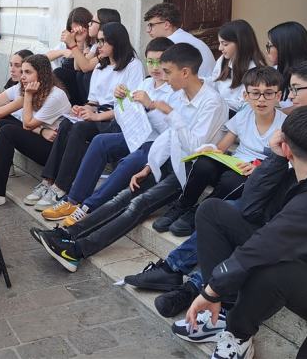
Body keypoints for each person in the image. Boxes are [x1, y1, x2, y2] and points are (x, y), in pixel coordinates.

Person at [136, 56, 307, 319]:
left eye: (295, 90)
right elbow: (279, 165)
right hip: (277, 196)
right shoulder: (294, 118)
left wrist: (270, 164)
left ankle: (196, 289)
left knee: (248, 225)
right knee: (217, 209)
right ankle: (174, 267)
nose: (290, 97)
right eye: (289, 90)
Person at [180, 106, 307, 359]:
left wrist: (211, 289)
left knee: (269, 268)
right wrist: (274, 158)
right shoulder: (299, 176)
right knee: (213, 211)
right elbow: (250, 209)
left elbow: (266, 244)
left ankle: (238, 333)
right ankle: (223, 311)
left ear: (287, 147)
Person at [31, 43, 228, 273]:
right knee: (121, 197)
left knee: (136, 205)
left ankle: (77, 250)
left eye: (167, 72)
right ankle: (67, 234)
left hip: (188, 170)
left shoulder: (211, 102)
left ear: (185, 72)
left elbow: (195, 147)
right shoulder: (181, 94)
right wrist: (148, 165)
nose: (163, 77)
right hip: (166, 160)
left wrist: (170, 114)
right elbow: (168, 138)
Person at [38, 38, 175, 224]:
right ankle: (72, 200)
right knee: (100, 141)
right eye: (150, 61)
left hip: (158, 143)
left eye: (160, 62)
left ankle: (88, 207)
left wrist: (150, 106)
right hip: (136, 135)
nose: (155, 67)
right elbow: (124, 116)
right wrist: (121, 100)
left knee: (129, 162)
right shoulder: (147, 84)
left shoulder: (175, 90)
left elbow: (171, 129)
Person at [152, 66, 285, 236]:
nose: (261, 99)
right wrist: (211, 149)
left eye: (268, 93)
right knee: (204, 163)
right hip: (235, 163)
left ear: (278, 96)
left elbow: (286, 162)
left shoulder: (285, 125)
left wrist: (260, 169)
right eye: (255, 93)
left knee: (232, 180)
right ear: (245, 96)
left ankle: (198, 213)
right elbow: (222, 147)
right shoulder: (244, 116)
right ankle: (183, 204)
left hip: (256, 173)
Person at [26, 22, 144, 211]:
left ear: (117, 42)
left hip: (118, 117)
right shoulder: (100, 66)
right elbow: (94, 101)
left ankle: (61, 187)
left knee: (80, 128)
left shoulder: (133, 66)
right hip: (98, 112)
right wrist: (82, 109)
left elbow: (132, 107)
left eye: (104, 41)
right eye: (98, 41)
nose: (100, 45)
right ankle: (49, 181)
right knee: (66, 124)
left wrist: (96, 116)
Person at [0, 53, 75, 207]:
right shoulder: (23, 87)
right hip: (41, 137)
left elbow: (27, 124)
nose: (22, 76)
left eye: (28, 72)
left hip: (53, 151)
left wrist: (27, 96)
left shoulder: (55, 96)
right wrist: (41, 130)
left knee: (8, 131)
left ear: (41, 74)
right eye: (22, 72)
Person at [210, 20, 266, 115]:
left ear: (240, 43)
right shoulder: (224, 59)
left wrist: (217, 102)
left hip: (237, 115)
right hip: (219, 109)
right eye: (220, 43)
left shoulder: (255, 69)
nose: (220, 48)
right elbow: (213, 82)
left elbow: (245, 105)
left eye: (225, 44)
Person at [144, 3, 215, 78]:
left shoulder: (173, 45)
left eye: (151, 25)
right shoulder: (182, 37)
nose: (148, 30)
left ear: (166, 25)